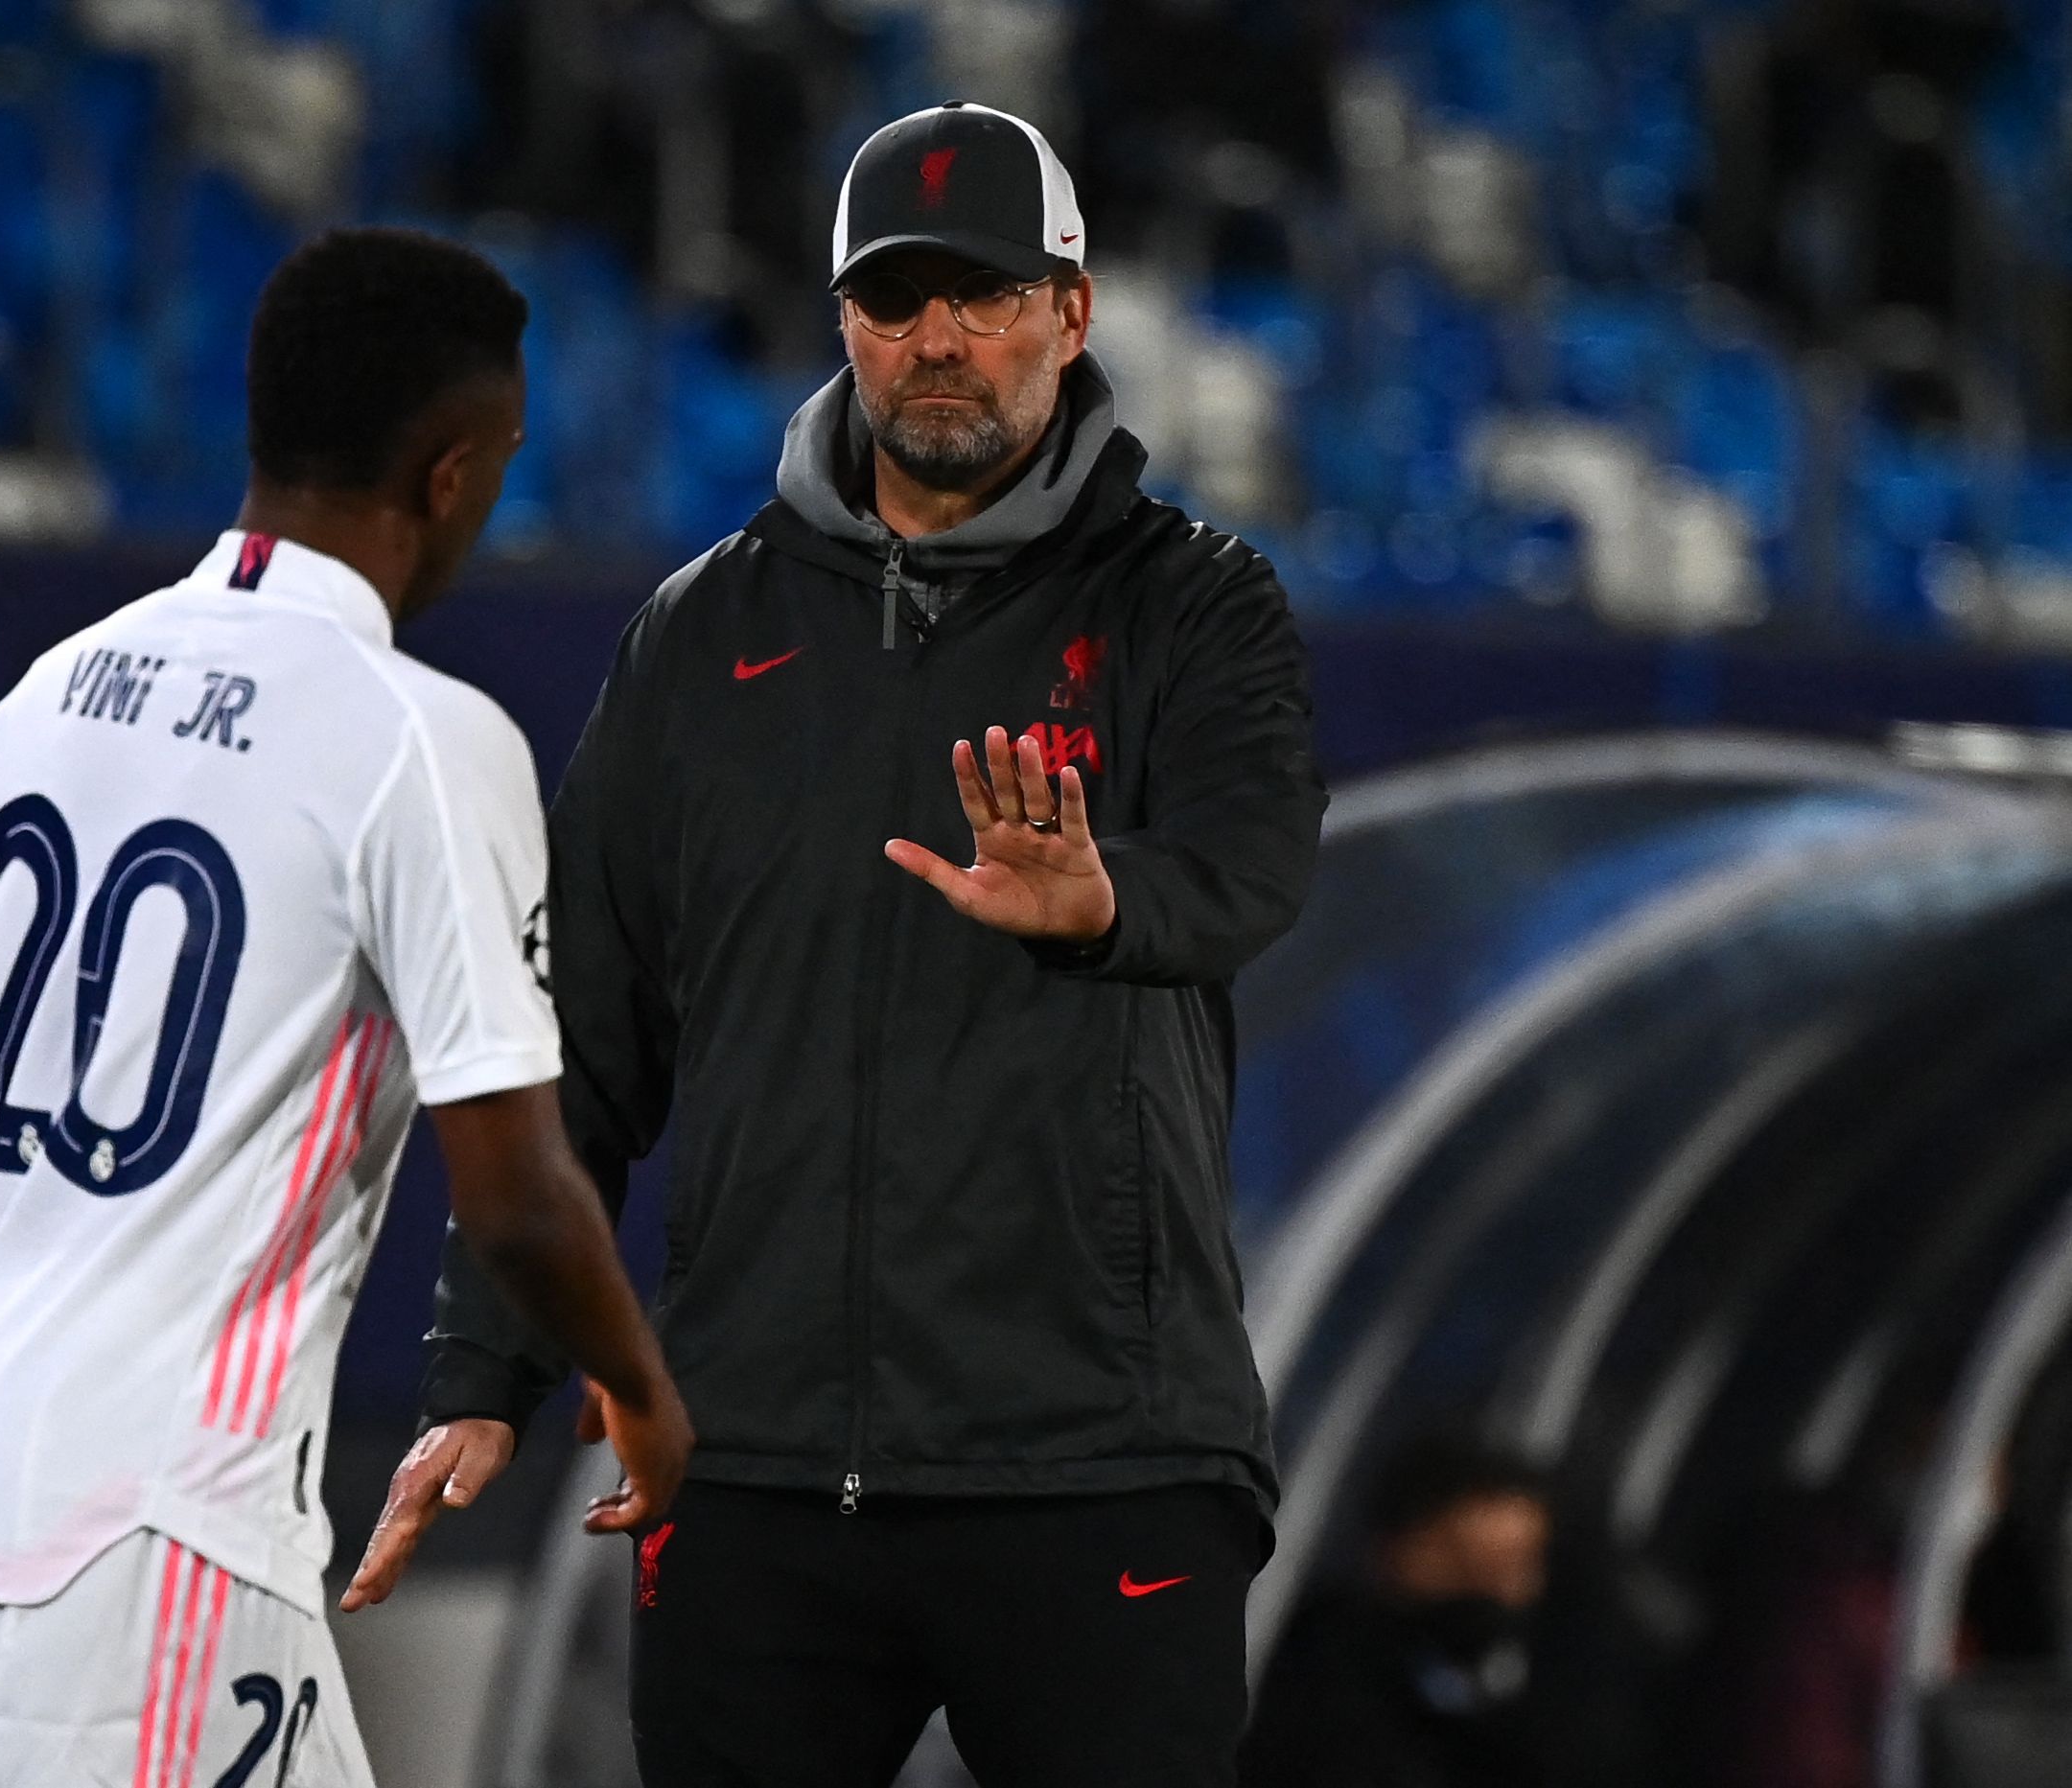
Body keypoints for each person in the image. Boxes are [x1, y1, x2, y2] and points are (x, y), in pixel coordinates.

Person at [348, 103, 1327, 1786]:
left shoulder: (1192, 603)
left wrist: (1102, 905)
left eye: (986, 294)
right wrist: (484, 1368)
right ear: (844, 324)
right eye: (896, 299)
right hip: (754, 1474)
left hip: (1100, 1468)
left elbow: (1249, 867)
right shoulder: (699, 633)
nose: (938, 339)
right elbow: (581, 1039)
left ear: (1071, 314)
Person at [0, 227, 691, 1788]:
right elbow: (516, 1192)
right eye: (503, 462)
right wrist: (642, 1392)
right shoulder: (418, 738)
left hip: (2, 1487)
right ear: (449, 473)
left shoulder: (59, 687)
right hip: (157, 1524)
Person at [1241, 1432, 1554, 1788]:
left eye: (1512, 1570)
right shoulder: (1314, 1672)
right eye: (1463, 1568)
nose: (1491, 1597)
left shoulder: (1544, 1692)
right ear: (1394, 1550)